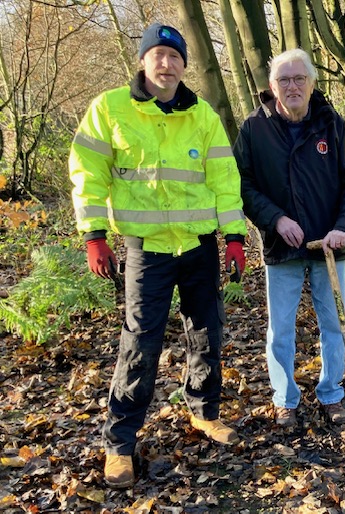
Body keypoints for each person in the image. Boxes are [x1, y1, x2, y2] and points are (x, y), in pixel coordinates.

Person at [69, 23, 247, 488]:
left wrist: (233, 237)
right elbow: (88, 172)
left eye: (175, 57)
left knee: (207, 333)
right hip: (145, 251)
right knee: (140, 342)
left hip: (199, 246)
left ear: (185, 65)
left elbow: (224, 179)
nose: (166, 64)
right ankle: (120, 442)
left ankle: (205, 413)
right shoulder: (110, 109)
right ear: (144, 61)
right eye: (158, 55)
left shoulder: (203, 114)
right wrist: (93, 235)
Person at [233, 49, 345, 427]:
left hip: (330, 247)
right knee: (281, 328)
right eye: (284, 80)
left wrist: (344, 227)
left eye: (299, 79)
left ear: (312, 83)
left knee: (334, 324)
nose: (292, 86)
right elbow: (240, 184)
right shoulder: (253, 129)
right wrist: (274, 219)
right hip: (282, 248)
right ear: (272, 86)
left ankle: (331, 393)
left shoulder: (332, 125)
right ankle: (285, 398)